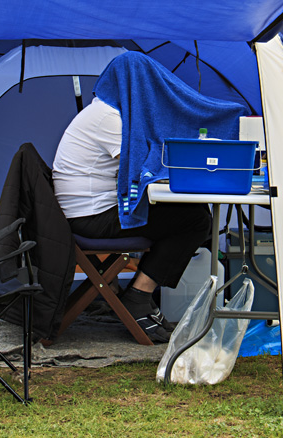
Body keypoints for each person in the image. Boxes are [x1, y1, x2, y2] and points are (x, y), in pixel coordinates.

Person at [52, 95, 211, 343]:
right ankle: (138, 296)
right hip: (92, 218)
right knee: (195, 220)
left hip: (88, 211)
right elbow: (137, 169)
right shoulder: (109, 118)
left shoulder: (105, 112)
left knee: (187, 214)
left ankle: (140, 295)